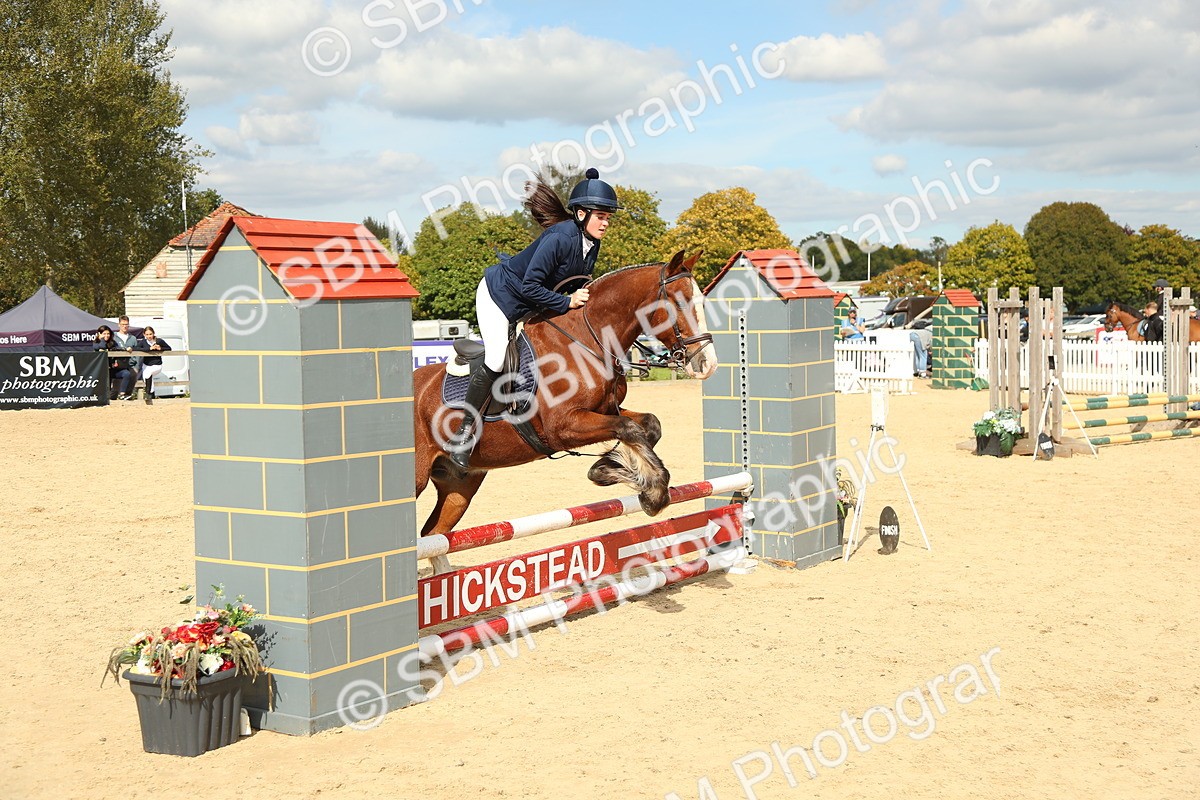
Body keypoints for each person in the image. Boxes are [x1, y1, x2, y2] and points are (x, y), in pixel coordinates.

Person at [446, 168, 621, 471]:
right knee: (497, 358)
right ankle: (464, 432)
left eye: (608, 217)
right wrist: (567, 301)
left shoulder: (591, 244)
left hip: (531, 303)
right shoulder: (559, 238)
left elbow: (573, 284)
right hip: (500, 297)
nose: (606, 223)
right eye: (601, 216)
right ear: (581, 214)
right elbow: (529, 286)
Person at [93, 324, 136, 400]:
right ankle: (104, 398)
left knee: (126, 373)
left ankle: (122, 394)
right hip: (102, 370)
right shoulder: (96, 342)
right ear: (99, 334)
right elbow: (101, 347)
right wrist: (102, 339)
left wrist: (125, 349)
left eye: (108, 333)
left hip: (113, 368)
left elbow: (117, 348)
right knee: (107, 385)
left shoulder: (112, 342)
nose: (107, 335)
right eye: (104, 333)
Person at [135, 325, 172, 405]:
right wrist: (149, 349)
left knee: (148, 374)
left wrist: (160, 348)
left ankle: (147, 393)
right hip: (146, 364)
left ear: (153, 333)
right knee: (147, 377)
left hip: (157, 364)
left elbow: (169, 348)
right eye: (147, 334)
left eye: (150, 334)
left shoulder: (159, 341)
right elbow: (136, 348)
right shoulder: (143, 342)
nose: (149, 336)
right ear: (144, 335)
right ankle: (151, 394)